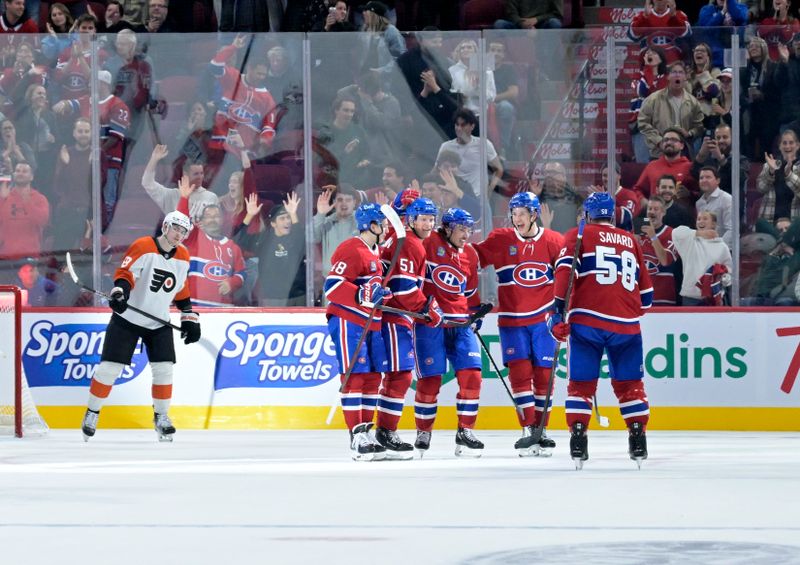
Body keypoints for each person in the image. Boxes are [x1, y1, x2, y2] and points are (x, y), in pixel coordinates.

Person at [549, 192, 654, 468]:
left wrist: (556, 313)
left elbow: (564, 274)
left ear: (587, 214)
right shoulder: (631, 241)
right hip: (627, 325)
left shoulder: (578, 235)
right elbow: (647, 298)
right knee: (631, 386)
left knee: (581, 386)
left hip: (587, 322)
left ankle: (578, 436)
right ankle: (637, 435)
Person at [80, 210, 201, 442]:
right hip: (128, 319)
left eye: (184, 231)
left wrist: (188, 316)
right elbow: (126, 274)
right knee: (109, 369)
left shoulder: (183, 256)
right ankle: (92, 412)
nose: (179, 234)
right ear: (166, 227)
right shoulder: (144, 246)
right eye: (176, 228)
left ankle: (162, 417)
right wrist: (119, 293)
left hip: (159, 322)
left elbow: (181, 288)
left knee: (164, 369)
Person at [472, 192, 564, 455]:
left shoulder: (554, 241)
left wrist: (566, 312)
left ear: (534, 214)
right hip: (512, 321)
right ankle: (528, 429)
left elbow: (568, 279)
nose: (517, 218)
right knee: (520, 375)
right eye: (514, 213)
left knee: (544, 377)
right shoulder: (501, 239)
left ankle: (541, 430)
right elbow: (469, 262)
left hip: (544, 322)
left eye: (522, 213)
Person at [375, 197, 443, 459]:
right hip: (395, 317)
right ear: (411, 220)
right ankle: (385, 430)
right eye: (423, 219)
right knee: (400, 375)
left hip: (395, 316)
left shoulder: (397, 235)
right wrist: (427, 309)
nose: (428, 224)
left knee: (396, 375)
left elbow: (391, 220)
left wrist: (398, 201)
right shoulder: (411, 244)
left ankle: (383, 428)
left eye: (431, 219)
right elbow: (404, 288)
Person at [414, 207, 484, 457]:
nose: (467, 234)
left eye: (469, 229)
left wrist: (476, 312)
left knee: (472, 377)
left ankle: (465, 431)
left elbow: (471, 291)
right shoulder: (429, 242)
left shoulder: (471, 255)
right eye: (462, 229)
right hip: (430, 323)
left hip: (461, 325)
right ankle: (424, 430)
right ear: (447, 227)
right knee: (430, 380)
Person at [323, 202, 391, 461]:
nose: (385, 228)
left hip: (371, 322)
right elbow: (333, 286)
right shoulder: (352, 248)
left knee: (374, 376)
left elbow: (370, 289)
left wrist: (381, 295)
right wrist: (363, 294)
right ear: (371, 225)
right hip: (348, 321)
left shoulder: (376, 252)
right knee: (356, 377)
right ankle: (356, 434)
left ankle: (366, 430)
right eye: (381, 224)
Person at [176, 176, 247, 308]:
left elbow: (242, 273)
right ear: (201, 221)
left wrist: (232, 283)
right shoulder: (194, 238)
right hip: (193, 309)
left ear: (222, 220)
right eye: (208, 216)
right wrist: (184, 198)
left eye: (216, 216)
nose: (213, 219)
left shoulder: (233, 247)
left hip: (222, 312)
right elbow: (181, 223)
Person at [235, 192, 306, 306]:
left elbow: (301, 239)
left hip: (298, 295)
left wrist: (293, 214)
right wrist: (249, 215)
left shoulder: (294, 239)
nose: (287, 221)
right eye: (282, 218)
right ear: (273, 223)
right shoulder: (263, 239)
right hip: (272, 297)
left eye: (288, 218)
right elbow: (239, 241)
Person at [637, 61, 705, 160]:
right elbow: (643, 123)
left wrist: (690, 133)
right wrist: (659, 141)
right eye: (674, 72)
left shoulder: (693, 102)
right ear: (668, 76)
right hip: (659, 154)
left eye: (681, 72)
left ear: (685, 77)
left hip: (683, 154)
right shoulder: (653, 99)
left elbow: (699, 127)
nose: (677, 75)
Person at [142, 144, 219, 223]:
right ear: (185, 174)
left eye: (201, 173)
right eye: (196, 174)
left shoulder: (211, 197)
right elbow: (147, 183)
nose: (200, 177)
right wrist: (154, 159)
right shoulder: (172, 195)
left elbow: (214, 227)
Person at [672, 210, 732, 306]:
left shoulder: (722, 246)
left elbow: (729, 271)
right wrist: (700, 234)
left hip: (713, 297)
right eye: (699, 219)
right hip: (690, 297)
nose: (701, 221)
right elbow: (676, 232)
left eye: (705, 218)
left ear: (713, 224)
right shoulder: (689, 241)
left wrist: (721, 277)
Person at [638, 195, 678, 305]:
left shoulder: (671, 233)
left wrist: (652, 235)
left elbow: (665, 260)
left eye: (656, 209)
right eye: (649, 209)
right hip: (641, 296)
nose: (652, 212)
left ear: (663, 212)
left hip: (663, 298)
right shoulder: (638, 232)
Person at [756, 129, 800, 224]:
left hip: (794, 223)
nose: (787, 146)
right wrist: (771, 171)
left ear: (797, 145)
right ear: (780, 146)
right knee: (760, 224)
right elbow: (761, 188)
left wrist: (789, 175)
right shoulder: (769, 165)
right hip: (771, 220)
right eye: (784, 143)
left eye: (791, 143)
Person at [696, 166, 733, 247]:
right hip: (704, 248)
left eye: (708, 177)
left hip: (723, 250)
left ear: (718, 180)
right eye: (701, 178)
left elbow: (732, 230)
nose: (704, 180)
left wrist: (717, 248)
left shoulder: (727, 199)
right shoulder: (699, 203)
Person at [494, 0, 563, 29]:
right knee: (499, 24)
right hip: (520, 24)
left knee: (555, 23)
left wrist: (536, 19)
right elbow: (511, 13)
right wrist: (522, 24)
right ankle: (502, 57)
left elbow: (557, 14)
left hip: (542, 25)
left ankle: (550, 56)